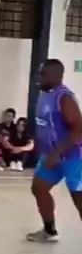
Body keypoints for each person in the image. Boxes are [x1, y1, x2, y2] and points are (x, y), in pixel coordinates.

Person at [27, 59, 82, 242]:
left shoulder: (64, 97)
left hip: (74, 157)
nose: (39, 77)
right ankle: (49, 231)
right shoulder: (44, 95)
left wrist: (57, 152)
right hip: (51, 156)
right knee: (39, 188)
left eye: (43, 74)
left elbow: (78, 128)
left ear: (57, 75)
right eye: (39, 73)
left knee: (79, 198)